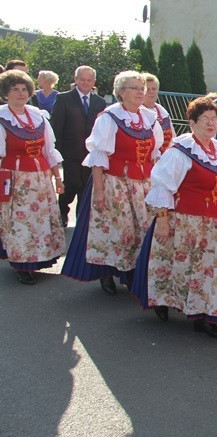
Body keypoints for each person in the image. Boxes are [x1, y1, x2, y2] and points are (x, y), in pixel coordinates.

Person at [131, 97, 217, 338]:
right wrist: (162, 220)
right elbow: (163, 187)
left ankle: (210, 311)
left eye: (214, 119)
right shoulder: (181, 151)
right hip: (189, 221)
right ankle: (192, 312)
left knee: (214, 268)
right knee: (188, 267)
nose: (211, 124)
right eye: (205, 119)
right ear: (191, 123)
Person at [61, 71, 163, 294]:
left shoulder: (150, 118)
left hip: (143, 184)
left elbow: (155, 155)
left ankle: (132, 274)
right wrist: (98, 191)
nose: (140, 92)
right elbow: (99, 157)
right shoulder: (109, 117)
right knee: (116, 230)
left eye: (141, 88)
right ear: (121, 93)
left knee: (141, 230)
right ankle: (106, 272)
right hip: (115, 183)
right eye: (134, 88)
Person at [0, 70, 66, 284]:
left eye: (24, 89)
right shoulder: (2, 118)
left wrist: (57, 178)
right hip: (16, 178)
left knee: (40, 220)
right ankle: (22, 263)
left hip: (41, 177)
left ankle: (38, 259)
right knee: (21, 221)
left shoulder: (38, 116)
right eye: (15, 89)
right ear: (5, 93)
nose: (21, 93)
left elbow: (49, 150)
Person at [50, 66, 106, 227]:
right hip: (70, 152)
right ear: (76, 80)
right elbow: (56, 126)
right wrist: (56, 153)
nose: (86, 82)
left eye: (89, 80)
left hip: (90, 154)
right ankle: (62, 211)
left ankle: (81, 218)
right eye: (82, 79)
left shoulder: (99, 101)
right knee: (72, 184)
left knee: (85, 187)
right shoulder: (64, 98)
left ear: (94, 82)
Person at [142, 73, 174, 153]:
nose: (151, 92)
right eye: (147, 89)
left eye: (154, 89)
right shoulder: (137, 111)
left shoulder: (163, 112)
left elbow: (173, 137)